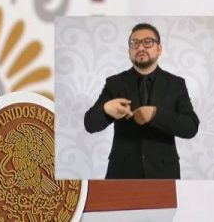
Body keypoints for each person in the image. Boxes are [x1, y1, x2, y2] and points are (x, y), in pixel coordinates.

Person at [83, 22, 199, 179]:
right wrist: (105, 110)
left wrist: (156, 114)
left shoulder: (176, 84)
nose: (141, 47)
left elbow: (191, 127)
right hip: (122, 174)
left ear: (159, 49)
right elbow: (89, 124)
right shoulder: (115, 83)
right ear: (129, 51)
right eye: (134, 43)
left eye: (148, 42)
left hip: (164, 173)